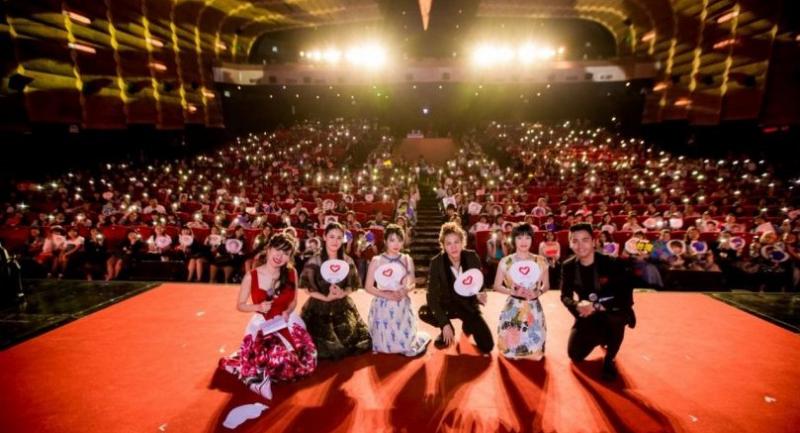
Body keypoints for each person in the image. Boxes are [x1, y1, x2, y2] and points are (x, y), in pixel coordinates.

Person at [218, 233, 317, 399]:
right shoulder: (251, 276)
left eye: (286, 253)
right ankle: (255, 376)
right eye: (277, 250)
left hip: (287, 321)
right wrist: (258, 307)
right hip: (262, 325)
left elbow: (293, 301)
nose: (280, 256)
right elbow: (240, 305)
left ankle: (256, 369)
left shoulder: (291, 272)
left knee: (304, 362)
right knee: (279, 361)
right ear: (269, 249)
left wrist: (288, 312)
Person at [560, 223, 636, 380]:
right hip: (587, 313)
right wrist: (577, 306)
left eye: (585, 240)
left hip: (612, 310)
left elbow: (623, 294)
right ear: (570, 244)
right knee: (575, 355)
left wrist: (596, 305)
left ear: (594, 242)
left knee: (617, 318)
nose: (580, 245)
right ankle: (602, 336)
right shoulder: (568, 266)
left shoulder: (611, 263)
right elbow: (565, 296)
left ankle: (610, 358)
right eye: (575, 241)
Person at [418, 222, 494, 354]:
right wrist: (444, 323)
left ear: (462, 242)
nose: (453, 247)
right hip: (447, 304)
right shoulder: (436, 263)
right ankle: (447, 330)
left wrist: (481, 293)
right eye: (448, 243)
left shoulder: (472, 257)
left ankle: (468, 324)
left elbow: (479, 282)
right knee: (424, 311)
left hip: (468, 305)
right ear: (443, 246)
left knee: (487, 346)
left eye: (456, 242)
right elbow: (431, 296)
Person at [300, 222, 371, 359]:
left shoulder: (347, 261)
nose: (335, 241)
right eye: (331, 236)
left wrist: (343, 293)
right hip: (318, 306)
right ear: (324, 237)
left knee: (350, 341)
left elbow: (352, 285)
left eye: (339, 237)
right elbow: (308, 288)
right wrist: (325, 298)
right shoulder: (315, 261)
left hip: (342, 305)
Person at [364, 224, 430, 356]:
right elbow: (368, 287)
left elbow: (412, 283)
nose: (396, 244)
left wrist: (404, 291)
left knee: (406, 346)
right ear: (385, 241)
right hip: (382, 304)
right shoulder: (377, 260)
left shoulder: (407, 259)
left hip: (401, 302)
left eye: (399, 240)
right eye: (392, 240)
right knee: (382, 346)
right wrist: (387, 295)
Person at [492, 223, 549, 360]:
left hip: (533, 307)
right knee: (510, 350)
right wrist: (512, 292)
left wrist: (538, 293)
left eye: (527, 237)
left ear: (532, 240)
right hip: (513, 308)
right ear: (514, 240)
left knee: (535, 352)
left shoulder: (541, 261)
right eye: (519, 238)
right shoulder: (506, 261)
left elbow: (546, 285)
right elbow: (496, 286)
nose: (524, 242)